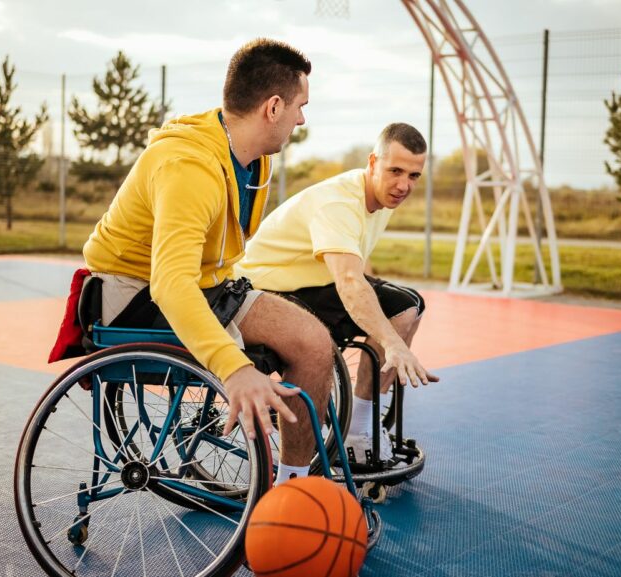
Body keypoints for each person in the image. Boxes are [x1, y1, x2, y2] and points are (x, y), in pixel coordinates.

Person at [81, 38, 335, 485]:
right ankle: (279, 487)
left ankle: (292, 485)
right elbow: (170, 283)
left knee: (314, 342)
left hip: (203, 284)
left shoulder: (250, 159)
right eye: (300, 106)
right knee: (252, 367)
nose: (302, 118)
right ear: (273, 107)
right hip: (134, 294)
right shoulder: (188, 166)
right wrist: (234, 368)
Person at [236, 122, 440, 464]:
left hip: (307, 282)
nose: (404, 185)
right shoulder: (338, 202)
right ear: (373, 163)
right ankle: (354, 435)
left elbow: (358, 266)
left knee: (407, 306)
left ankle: (359, 424)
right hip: (265, 286)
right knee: (391, 322)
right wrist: (392, 343)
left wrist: (387, 319)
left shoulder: (380, 198)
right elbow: (348, 281)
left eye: (414, 176)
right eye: (396, 171)